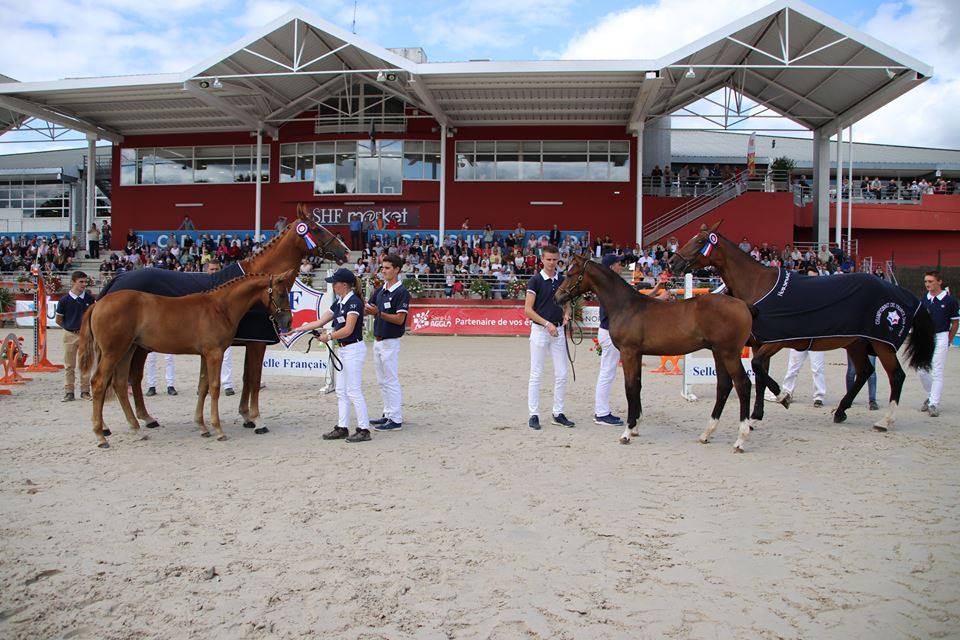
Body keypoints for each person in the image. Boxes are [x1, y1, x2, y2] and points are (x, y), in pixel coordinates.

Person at [286, 267, 371, 442]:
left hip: (353, 348)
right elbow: (320, 321)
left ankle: (364, 429)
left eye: (335, 283)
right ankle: (342, 426)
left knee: (353, 390)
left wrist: (329, 336)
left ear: (345, 285)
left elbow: (348, 329)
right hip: (343, 349)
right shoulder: (339, 302)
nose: (333, 286)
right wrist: (297, 329)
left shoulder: (353, 302)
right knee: (341, 390)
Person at [524, 245, 574, 430]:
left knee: (562, 373)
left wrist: (567, 313)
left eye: (555, 259)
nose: (552, 263)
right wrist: (547, 324)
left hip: (558, 331)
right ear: (542, 260)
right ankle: (533, 414)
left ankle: (558, 412)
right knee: (536, 374)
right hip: (540, 331)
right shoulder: (535, 280)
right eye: (549, 259)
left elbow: (567, 303)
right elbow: (528, 310)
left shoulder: (562, 280)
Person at [364, 254, 410, 431]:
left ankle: (396, 419)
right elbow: (369, 308)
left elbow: (400, 319)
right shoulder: (381, 290)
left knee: (391, 380)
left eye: (387, 268)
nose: (383, 271)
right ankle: (388, 413)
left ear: (397, 270)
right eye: (382, 268)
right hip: (378, 340)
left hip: (390, 341)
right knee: (382, 381)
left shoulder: (401, 292)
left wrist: (378, 314)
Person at [770, 268, 826, 406]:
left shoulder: (822, 295)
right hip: (799, 335)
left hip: (817, 336)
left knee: (817, 368)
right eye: (811, 277)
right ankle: (788, 392)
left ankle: (819, 396)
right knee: (793, 367)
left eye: (816, 277)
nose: (814, 280)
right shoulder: (798, 296)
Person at [918, 271, 959, 417]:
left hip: (941, 336)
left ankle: (934, 403)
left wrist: (949, 339)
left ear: (939, 282)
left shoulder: (950, 301)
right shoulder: (924, 299)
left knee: (937, 370)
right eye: (926, 282)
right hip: (926, 338)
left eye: (930, 281)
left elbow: (955, 322)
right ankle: (931, 395)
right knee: (921, 370)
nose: (927, 284)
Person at [594, 254, 628, 426]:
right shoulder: (609, 286)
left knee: (607, 372)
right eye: (618, 264)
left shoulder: (609, 284)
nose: (620, 267)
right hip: (609, 331)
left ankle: (601, 411)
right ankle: (601, 413)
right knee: (607, 372)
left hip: (608, 331)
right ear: (612, 267)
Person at [55, 270, 95, 402]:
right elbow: (59, 319)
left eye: (85, 282)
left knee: (85, 364)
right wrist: (69, 328)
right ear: (73, 282)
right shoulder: (64, 300)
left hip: (85, 335)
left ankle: (85, 391)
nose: (84, 284)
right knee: (69, 365)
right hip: (70, 334)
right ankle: (69, 391)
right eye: (81, 282)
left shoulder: (89, 299)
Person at [206, 261, 236, 395]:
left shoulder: (226, 287)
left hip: (222, 327)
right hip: (205, 328)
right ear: (207, 270)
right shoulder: (203, 285)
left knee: (226, 355)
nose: (214, 271)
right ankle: (205, 385)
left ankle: (227, 384)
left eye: (216, 269)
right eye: (211, 269)